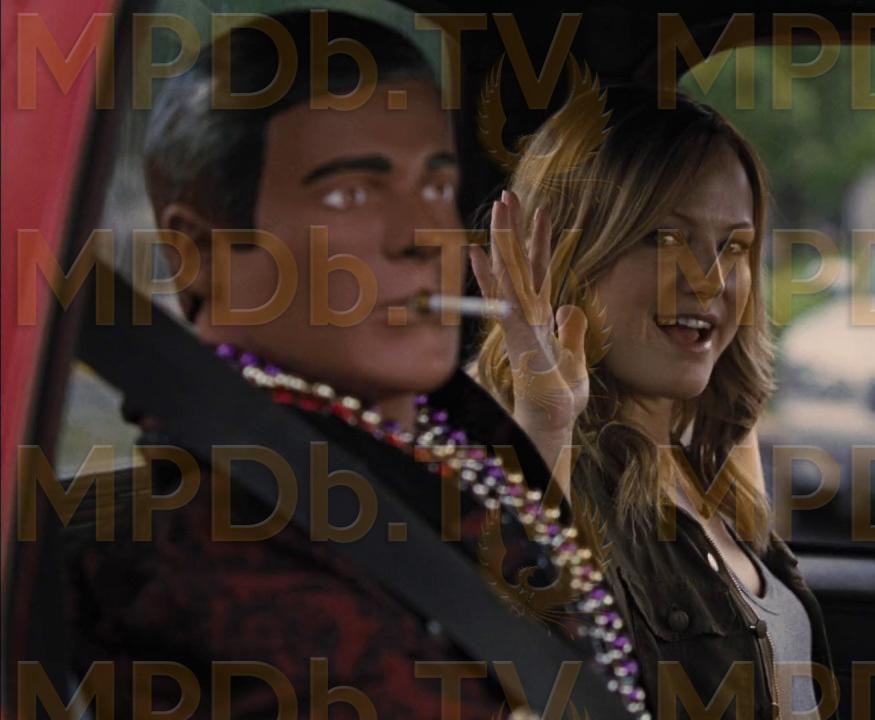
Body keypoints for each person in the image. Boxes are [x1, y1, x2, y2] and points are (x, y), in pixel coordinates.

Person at [57, 12, 645, 718]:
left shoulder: (450, 458)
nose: (425, 236)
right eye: (351, 193)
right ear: (198, 252)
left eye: (436, 186)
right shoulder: (212, 558)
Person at [470, 88, 834, 718]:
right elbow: (512, 677)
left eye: (733, 246)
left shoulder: (707, 464)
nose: (710, 281)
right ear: (566, 256)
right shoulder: (530, 468)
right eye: (665, 238)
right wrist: (545, 424)